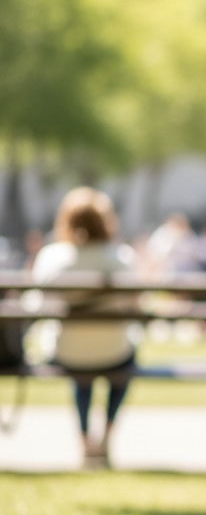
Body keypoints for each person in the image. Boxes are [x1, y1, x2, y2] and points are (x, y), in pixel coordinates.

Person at [31, 187, 139, 466]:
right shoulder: (121, 258)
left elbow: (36, 304)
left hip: (68, 352)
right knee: (125, 362)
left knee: (81, 374)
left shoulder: (52, 257)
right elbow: (135, 306)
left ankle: (83, 440)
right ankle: (106, 433)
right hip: (113, 351)